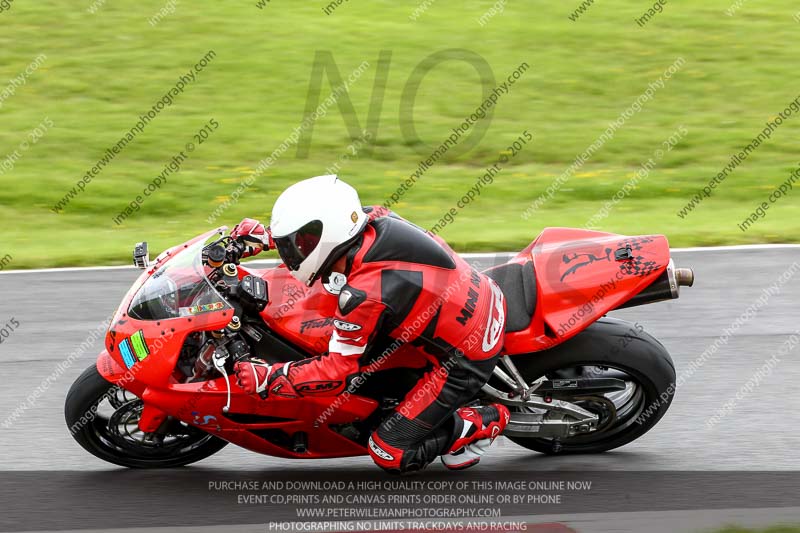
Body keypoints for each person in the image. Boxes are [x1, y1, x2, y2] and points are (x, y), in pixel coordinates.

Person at [230, 175, 509, 473]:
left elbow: (337, 371)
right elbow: (329, 225)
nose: (292, 251)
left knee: (388, 452)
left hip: (464, 360)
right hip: (472, 297)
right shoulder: (374, 217)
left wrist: (269, 378)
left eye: (297, 243)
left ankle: (482, 420)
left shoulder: (364, 295)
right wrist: (267, 237)